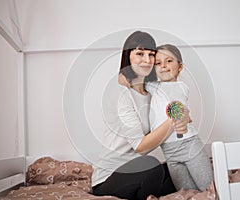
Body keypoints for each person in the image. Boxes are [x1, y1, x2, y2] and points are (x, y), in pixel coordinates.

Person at [91, 31, 190, 200]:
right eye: (140, 54)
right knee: (151, 166)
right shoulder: (121, 94)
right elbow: (140, 147)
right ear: (128, 57)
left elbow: (176, 98)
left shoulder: (151, 91)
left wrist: (183, 115)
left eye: (151, 54)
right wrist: (175, 119)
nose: (147, 60)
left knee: (177, 168)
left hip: (137, 172)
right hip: (109, 177)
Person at [146, 44, 213, 191]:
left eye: (169, 61)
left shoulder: (180, 87)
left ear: (180, 66)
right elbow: (135, 79)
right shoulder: (154, 87)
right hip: (169, 151)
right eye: (158, 63)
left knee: (208, 188)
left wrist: (183, 114)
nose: (163, 66)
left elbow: (177, 105)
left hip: (188, 145)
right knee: (186, 192)